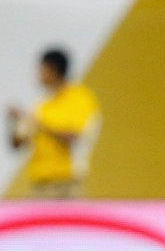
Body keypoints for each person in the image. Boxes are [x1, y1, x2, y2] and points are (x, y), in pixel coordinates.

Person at [7, 48, 102, 199]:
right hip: (39, 186)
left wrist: (38, 124)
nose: (38, 76)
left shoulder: (80, 99)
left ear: (53, 70)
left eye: (41, 70)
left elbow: (71, 138)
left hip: (67, 185)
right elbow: (16, 144)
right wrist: (13, 121)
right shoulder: (41, 105)